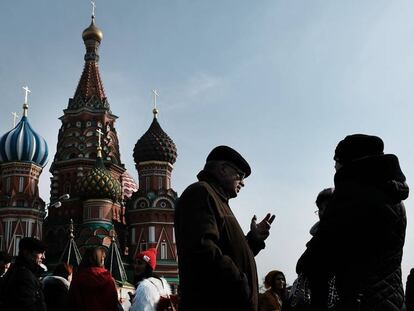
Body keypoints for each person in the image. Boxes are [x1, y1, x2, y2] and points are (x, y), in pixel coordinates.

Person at [296, 134, 408, 311]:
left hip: (358, 302)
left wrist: (304, 262)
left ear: (350, 161)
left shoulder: (351, 195)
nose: (335, 167)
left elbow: (318, 257)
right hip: (394, 301)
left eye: (337, 161)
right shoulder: (395, 199)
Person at [175, 145, 276, 311]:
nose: (242, 183)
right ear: (222, 169)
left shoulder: (218, 200)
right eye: (240, 175)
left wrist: (253, 239)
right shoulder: (201, 193)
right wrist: (240, 284)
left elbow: (230, 252)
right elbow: (203, 251)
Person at [0, 237, 47, 311]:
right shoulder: (24, 276)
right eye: (40, 253)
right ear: (26, 253)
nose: (43, 257)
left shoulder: (19, 270)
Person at [68, 246, 120, 311]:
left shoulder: (77, 279)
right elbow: (113, 303)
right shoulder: (109, 280)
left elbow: (72, 303)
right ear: (101, 260)